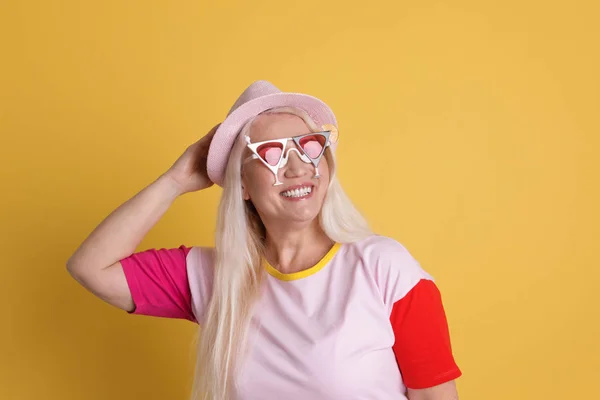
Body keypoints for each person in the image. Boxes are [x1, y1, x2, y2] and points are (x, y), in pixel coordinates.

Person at [67, 80, 462, 400]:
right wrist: (174, 181)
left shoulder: (384, 267)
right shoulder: (215, 278)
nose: (296, 167)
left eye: (309, 148)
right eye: (270, 154)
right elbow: (91, 267)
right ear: (242, 184)